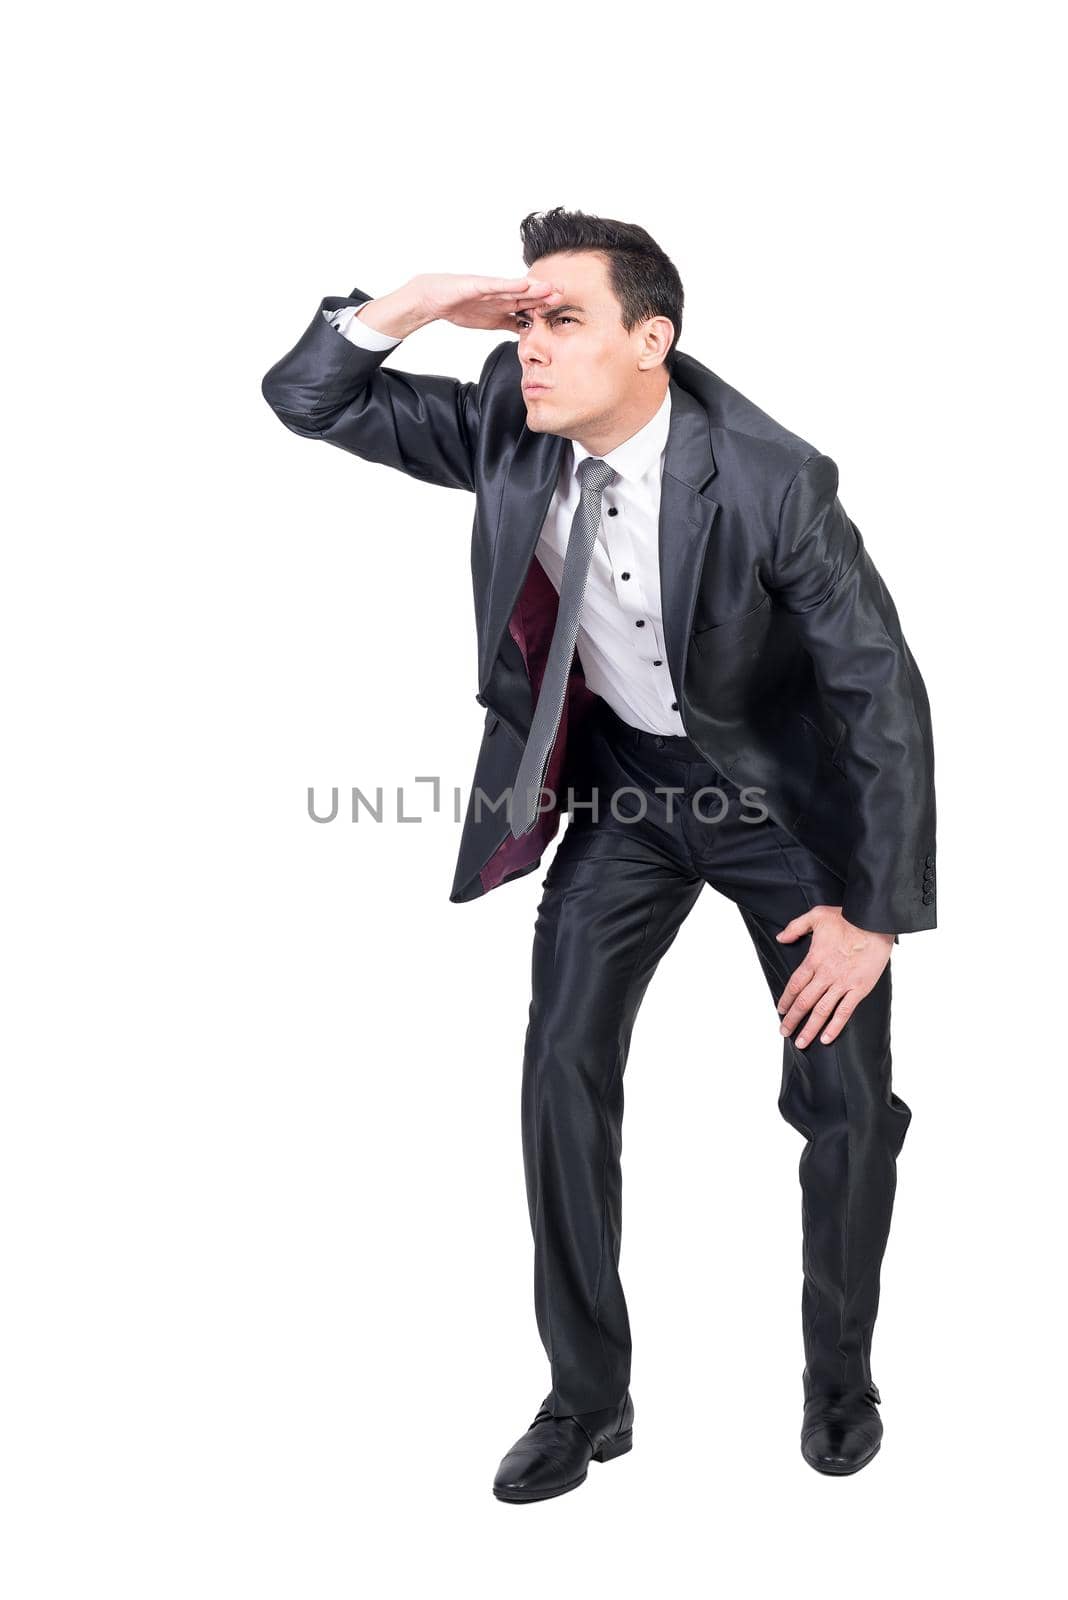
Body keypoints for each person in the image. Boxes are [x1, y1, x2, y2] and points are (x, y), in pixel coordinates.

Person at [261, 207, 937, 1502]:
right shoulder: (513, 432)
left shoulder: (767, 477)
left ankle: (840, 1385)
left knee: (844, 1101)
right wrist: (404, 304)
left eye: (562, 319)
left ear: (653, 340)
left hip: (784, 813)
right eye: (523, 318)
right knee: (561, 1071)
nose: (531, 346)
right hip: (627, 791)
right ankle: (587, 1402)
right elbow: (310, 399)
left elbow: (880, 694)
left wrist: (875, 912)